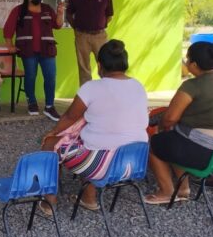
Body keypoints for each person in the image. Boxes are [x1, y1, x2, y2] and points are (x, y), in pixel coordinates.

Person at [40, 40, 148, 211]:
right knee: (90, 141)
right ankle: (88, 199)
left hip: (102, 165)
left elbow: (69, 117)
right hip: (133, 163)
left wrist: (52, 132)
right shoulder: (138, 86)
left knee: (51, 144)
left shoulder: (91, 88)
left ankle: (48, 203)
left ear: (99, 64)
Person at [144, 41, 213, 204]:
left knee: (155, 144)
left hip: (206, 151)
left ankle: (167, 191)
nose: (186, 63)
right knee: (173, 139)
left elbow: (170, 118)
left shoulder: (192, 85)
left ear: (194, 64)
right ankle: (183, 188)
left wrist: (159, 127)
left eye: (187, 59)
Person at [3, 0, 65, 120]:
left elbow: (58, 25)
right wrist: (10, 46)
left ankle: (49, 106)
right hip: (28, 50)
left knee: (50, 77)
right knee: (30, 76)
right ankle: (31, 102)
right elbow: (8, 30)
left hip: (47, 50)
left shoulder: (47, 9)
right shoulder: (19, 11)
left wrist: (60, 13)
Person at [66, 0, 114, 86]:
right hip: (81, 36)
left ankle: (107, 92)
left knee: (105, 65)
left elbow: (109, 15)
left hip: (100, 36)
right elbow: (69, 14)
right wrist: (76, 28)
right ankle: (86, 97)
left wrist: (101, 25)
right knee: (84, 68)